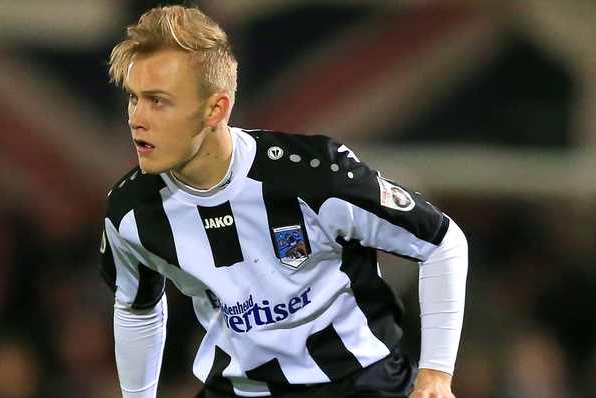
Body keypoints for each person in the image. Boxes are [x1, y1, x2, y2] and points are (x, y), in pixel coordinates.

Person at [99, 5, 468, 398]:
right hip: (239, 390)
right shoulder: (131, 211)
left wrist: (435, 375)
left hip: (360, 383)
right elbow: (137, 307)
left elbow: (442, 243)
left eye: (157, 101)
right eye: (133, 98)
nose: (136, 118)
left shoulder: (314, 175)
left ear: (215, 109)